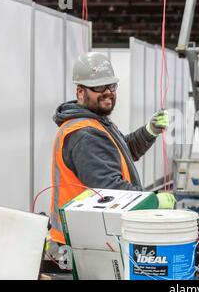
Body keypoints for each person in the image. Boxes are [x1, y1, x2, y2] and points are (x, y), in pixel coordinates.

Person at [49, 52, 170, 244]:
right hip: (81, 241)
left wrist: (150, 131)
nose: (108, 92)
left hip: (90, 234)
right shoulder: (85, 134)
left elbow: (122, 152)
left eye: (111, 85)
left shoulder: (96, 123)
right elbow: (112, 190)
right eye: (98, 86)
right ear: (80, 91)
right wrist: (153, 201)